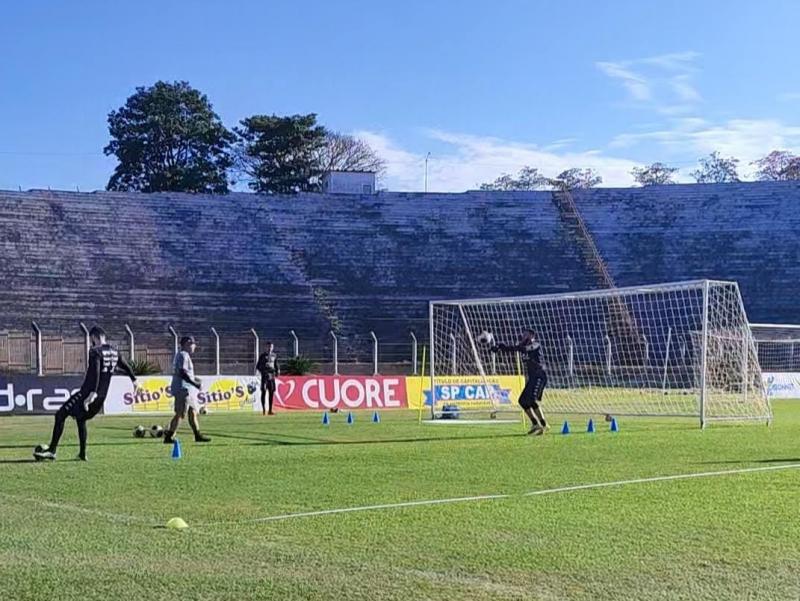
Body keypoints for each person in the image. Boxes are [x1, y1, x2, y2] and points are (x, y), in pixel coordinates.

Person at [34, 326, 138, 461]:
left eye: (92, 340)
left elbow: (96, 372)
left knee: (60, 415)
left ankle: (52, 451)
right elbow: (126, 366)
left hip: (87, 395)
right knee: (81, 419)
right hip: (101, 398)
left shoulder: (95, 352)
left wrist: (91, 394)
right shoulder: (114, 352)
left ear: (94, 337)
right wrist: (134, 380)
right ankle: (82, 453)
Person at [493, 329, 548, 435]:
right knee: (522, 401)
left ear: (532, 335)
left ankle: (544, 425)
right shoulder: (522, 347)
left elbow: (525, 348)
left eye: (526, 334)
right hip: (532, 378)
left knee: (531, 399)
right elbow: (515, 349)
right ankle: (535, 424)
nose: (523, 335)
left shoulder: (536, 345)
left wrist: (514, 347)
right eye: (523, 333)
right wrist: (500, 347)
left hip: (540, 376)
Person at [164, 335, 210, 444]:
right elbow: (182, 373)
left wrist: (195, 380)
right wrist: (194, 383)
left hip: (186, 388)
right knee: (181, 413)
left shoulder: (184, 355)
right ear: (187, 343)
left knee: (192, 412)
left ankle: (197, 435)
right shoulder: (183, 355)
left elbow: (186, 373)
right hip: (182, 389)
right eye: (193, 344)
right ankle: (169, 436)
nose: (194, 346)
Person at [255, 341, 280, 415]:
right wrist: (263, 370)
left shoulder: (274, 355)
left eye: (271, 347)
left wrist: (277, 371)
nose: (270, 348)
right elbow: (258, 366)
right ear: (266, 347)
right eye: (268, 347)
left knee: (271, 393)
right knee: (264, 391)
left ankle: (270, 410)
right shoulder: (262, 356)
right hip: (265, 377)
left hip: (271, 377)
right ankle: (263, 410)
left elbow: (276, 365)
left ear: (273, 347)